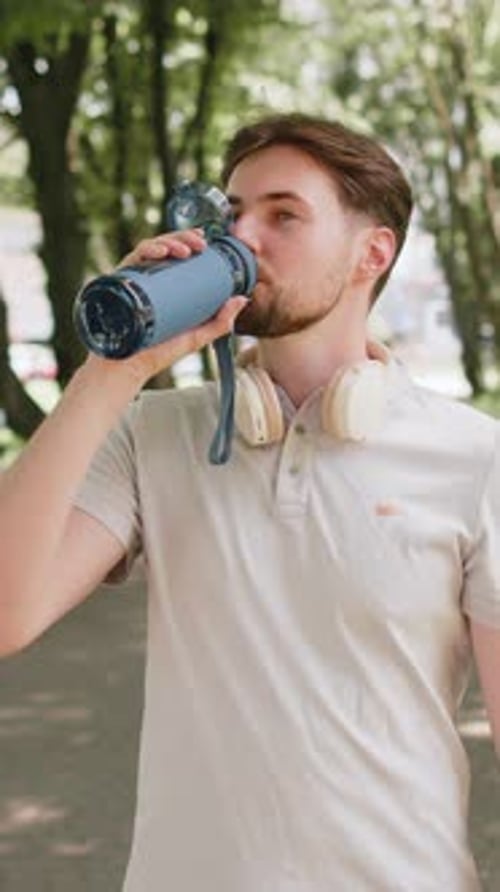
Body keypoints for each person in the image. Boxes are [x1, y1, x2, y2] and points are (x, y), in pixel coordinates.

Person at [0, 112, 499, 892]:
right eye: (234, 213)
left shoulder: (475, 458)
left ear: (373, 253)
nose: (243, 238)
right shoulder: (152, 434)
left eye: (283, 215)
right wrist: (112, 369)